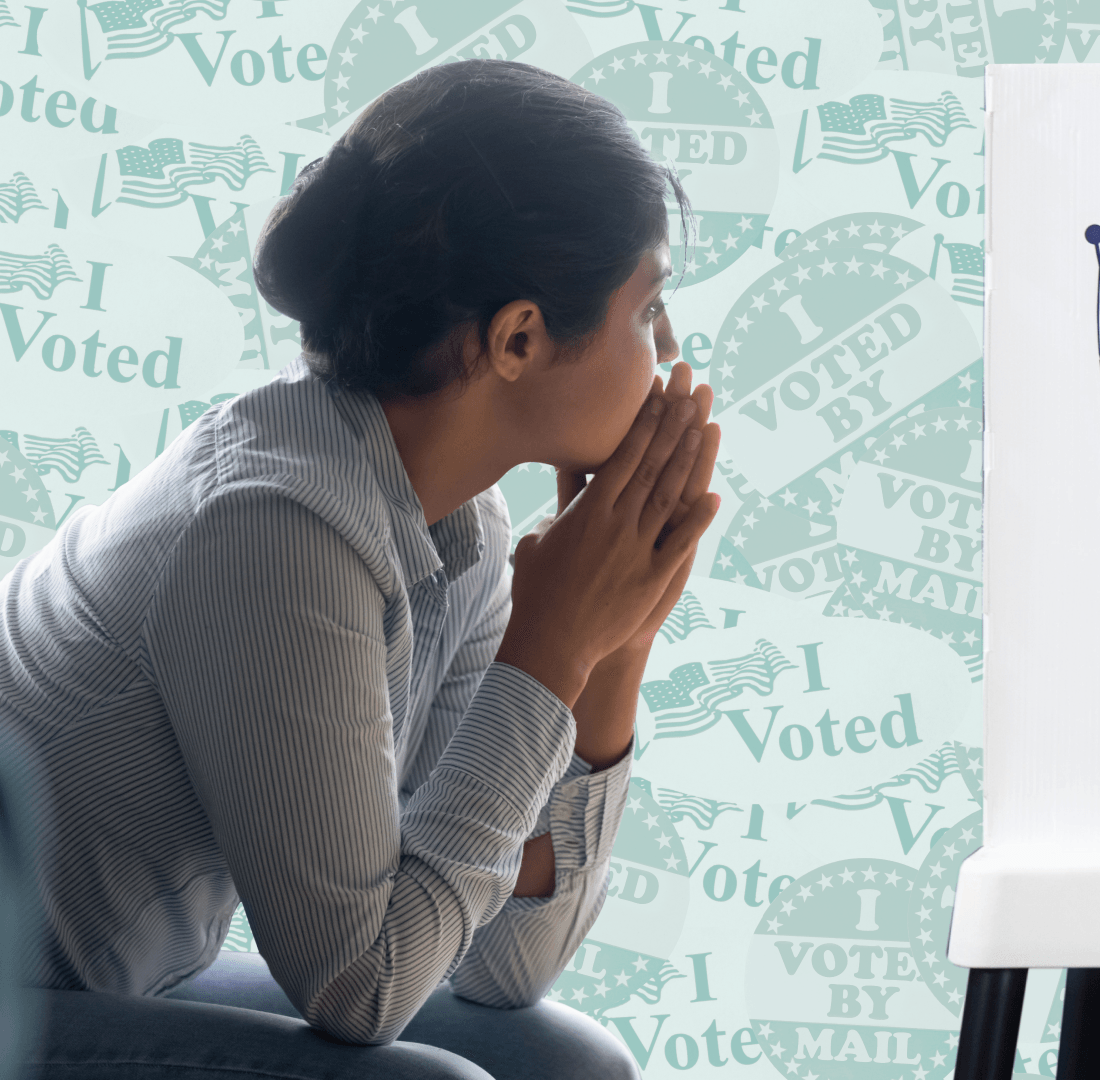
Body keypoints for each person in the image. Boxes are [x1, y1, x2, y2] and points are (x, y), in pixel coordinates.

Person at [0, 58, 721, 1079]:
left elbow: (500, 966)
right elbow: (363, 988)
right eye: (646, 311)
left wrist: (613, 650)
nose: (670, 351)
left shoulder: (454, 519)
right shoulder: (272, 529)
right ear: (518, 337)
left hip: (98, 982)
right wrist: (551, 653)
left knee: (562, 1062)